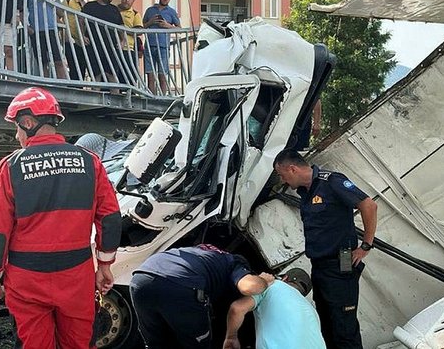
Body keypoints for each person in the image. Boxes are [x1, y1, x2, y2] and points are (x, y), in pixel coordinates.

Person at [0, 87, 122, 349]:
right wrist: (105, 265)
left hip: (26, 279)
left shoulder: (10, 166)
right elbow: (110, 217)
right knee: (78, 343)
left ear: (29, 122)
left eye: (18, 128)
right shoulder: (90, 162)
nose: (17, 135)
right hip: (76, 275)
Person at [273, 149, 378, 349]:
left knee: (343, 329)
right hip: (320, 268)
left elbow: (369, 205)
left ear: (292, 168)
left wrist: (366, 245)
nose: (283, 180)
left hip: (341, 264)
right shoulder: (306, 193)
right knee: (326, 326)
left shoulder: (332, 182)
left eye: (282, 174)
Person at [129, 244, 268, 348]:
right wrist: (264, 280)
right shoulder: (233, 262)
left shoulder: (201, 253)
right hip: (181, 284)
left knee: (157, 345)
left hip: (140, 279)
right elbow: (250, 286)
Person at [223, 268, 326, 349]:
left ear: (284, 278)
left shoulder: (272, 286)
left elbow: (237, 309)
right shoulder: (313, 312)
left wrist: (231, 337)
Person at [25, 0, 68, 79]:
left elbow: (61, 13)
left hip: (51, 30)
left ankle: (65, 87)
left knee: (58, 61)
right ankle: (46, 86)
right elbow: (23, 12)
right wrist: (28, 29)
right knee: (42, 62)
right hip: (37, 31)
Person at [82, 0, 125, 86]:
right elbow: (80, 21)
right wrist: (82, 36)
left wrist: (122, 40)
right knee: (96, 75)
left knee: (113, 75)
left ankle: (116, 99)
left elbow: (121, 26)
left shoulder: (114, 9)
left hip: (111, 47)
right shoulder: (89, 6)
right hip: (94, 46)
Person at [143, 0, 180, 95]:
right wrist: (150, 22)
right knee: (150, 77)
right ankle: (151, 99)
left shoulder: (172, 12)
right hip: (149, 45)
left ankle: (163, 98)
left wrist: (167, 25)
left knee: (162, 76)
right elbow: (142, 27)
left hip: (164, 47)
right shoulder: (150, 10)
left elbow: (180, 28)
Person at [63, 0, 91, 81]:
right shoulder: (68, 1)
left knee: (82, 68)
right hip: (71, 39)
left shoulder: (88, 6)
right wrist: (65, 34)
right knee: (74, 67)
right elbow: (58, 15)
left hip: (84, 42)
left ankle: (79, 88)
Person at [118, 0, 143, 82]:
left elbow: (139, 30)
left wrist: (122, 29)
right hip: (112, 48)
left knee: (128, 80)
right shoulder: (112, 10)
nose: (126, 0)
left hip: (128, 50)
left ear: (133, 1)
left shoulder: (135, 14)